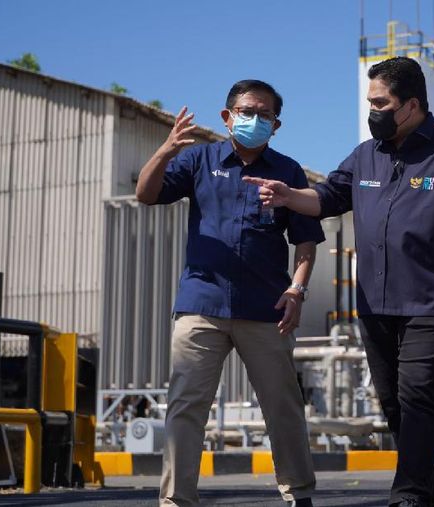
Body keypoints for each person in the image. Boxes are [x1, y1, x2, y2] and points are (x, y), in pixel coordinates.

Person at [244, 57, 434, 507]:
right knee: (395, 404)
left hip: (432, 302)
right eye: (370, 103)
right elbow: (327, 198)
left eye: (381, 103)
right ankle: (429, 493)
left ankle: (408, 495)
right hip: (375, 304)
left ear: (411, 105)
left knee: (418, 397)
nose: (373, 111)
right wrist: (288, 196)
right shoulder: (366, 155)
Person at [135, 80, 324, 507]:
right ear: (227, 116)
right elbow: (146, 194)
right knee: (186, 406)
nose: (255, 120)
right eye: (246, 112)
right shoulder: (198, 160)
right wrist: (166, 150)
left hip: (267, 308)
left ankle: (299, 494)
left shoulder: (288, 172)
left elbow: (306, 241)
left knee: (283, 407)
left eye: (264, 115)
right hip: (201, 304)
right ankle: (176, 500)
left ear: (276, 125)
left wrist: (297, 289)